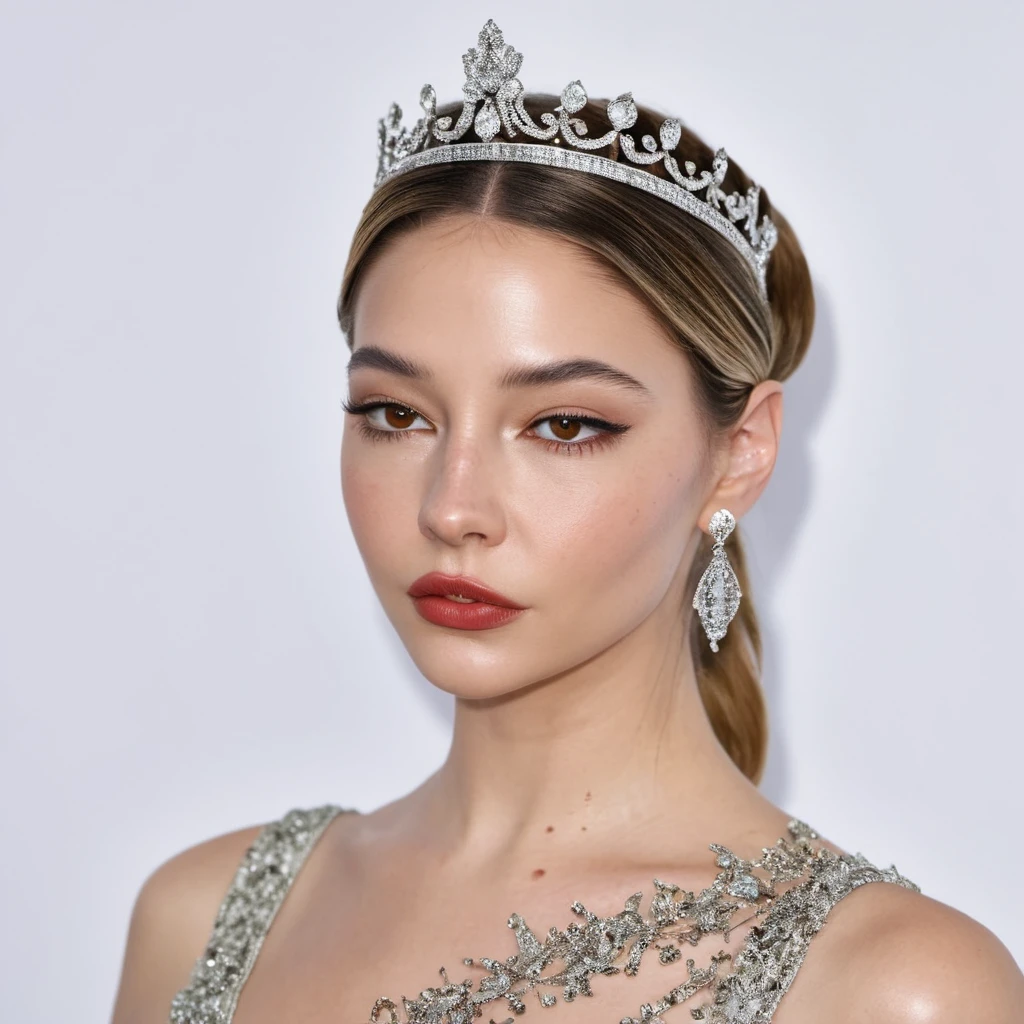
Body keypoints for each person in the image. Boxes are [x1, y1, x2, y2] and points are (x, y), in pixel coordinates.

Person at [110, 18, 1023, 1024]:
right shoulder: (199, 918)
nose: (451, 506)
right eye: (396, 414)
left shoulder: (889, 989)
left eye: (563, 425)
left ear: (741, 452)